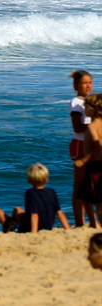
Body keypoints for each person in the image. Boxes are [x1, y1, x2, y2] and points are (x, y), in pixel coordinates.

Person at [0, 163, 70, 234]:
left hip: (29, 229)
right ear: (47, 180)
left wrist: (33, 235)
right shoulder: (52, 192)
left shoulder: (30, 193)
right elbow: (60, 214)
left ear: (29, 180)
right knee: (17, 209)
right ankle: (12, 226)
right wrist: (68, 230)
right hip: (46, 228)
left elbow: (35, 216)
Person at [69, 70, 96, 227]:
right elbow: (77, 127)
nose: (88, 86)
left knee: (90, 185)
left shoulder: (91, 101)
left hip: (88, 145)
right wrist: (94, 124)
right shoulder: (76, 102)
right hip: (80, 145)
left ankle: (89, 221)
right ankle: (80, 222)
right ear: (76, 85)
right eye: (84, 83)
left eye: (90, 82)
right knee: (80, 186)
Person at [73, 93, 102, 223]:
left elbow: (98, 147)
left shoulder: (91, 127)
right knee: (85, 194)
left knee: (97, 202)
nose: (84, 109)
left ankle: (95, 224)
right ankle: (92, 223)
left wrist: (83, 161)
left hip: (95, 167)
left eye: (86, 106)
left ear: (94, 109)